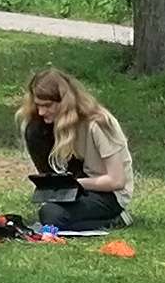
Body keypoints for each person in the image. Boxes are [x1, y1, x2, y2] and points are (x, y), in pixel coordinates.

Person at [20, 66, 136, 229]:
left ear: (64, 102)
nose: (41, 112)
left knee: (51, 215)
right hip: (77, 184)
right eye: (38, 105)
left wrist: (74, 184)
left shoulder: (98, 123)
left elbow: (117, 181)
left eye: (47, 105)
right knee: (34, 129)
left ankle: (114, 220)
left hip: (107, 192)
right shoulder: (44, 125)